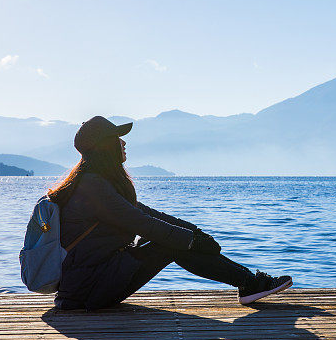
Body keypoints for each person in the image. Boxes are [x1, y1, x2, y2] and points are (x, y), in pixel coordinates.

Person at [49, 116, 292, 311]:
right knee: (170, 243)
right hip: (88, 290)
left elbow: (147, 213)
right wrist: (191, 240)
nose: (124, 143)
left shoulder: (96, 182)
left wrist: (195, 232)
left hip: (91, 283)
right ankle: (249, 283)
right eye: (118, 139)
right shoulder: (94, 187)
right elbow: (142, 223)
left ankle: (249, 282)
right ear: (104, 147)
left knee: (172, 238)